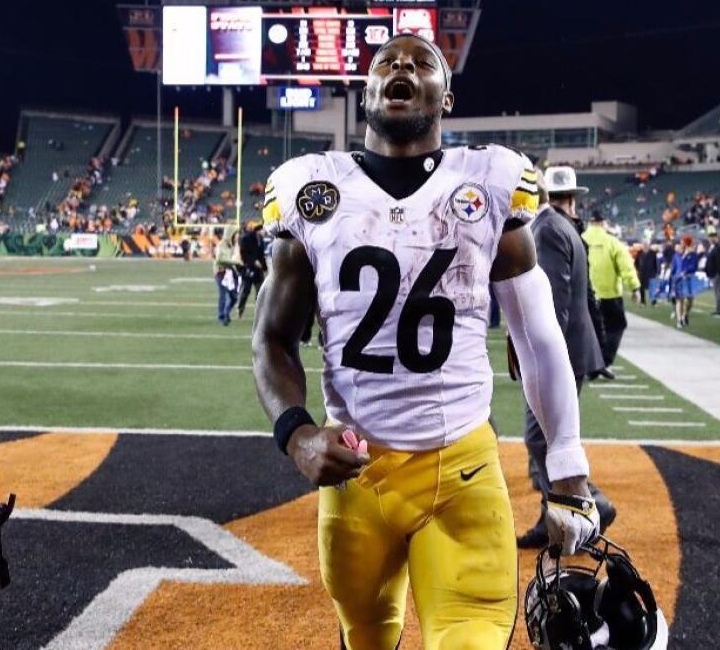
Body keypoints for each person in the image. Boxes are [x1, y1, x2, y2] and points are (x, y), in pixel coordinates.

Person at [251, 35, 602, 650]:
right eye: (386, 62)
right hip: (357, 475)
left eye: (420, 63)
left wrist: (569, 473)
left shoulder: (490, 181)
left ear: (447, 95)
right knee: (365, 638)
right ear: (366, 92)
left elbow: (539, 336)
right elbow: (273, 339)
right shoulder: (311, 190)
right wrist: (299, 435)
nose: (401, 68)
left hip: (460, 470)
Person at [521, 167, 617, 546]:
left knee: (541, 439)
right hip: (574, 350)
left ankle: (590, 503)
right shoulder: (565, 228)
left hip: (559, 355)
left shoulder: (546, 228)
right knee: (547, 437)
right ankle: (553, 519)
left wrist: (542, 358)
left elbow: (553, 304)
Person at [581, 210, 640, 371]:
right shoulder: (612, 242)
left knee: (591, 330)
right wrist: (635, 287)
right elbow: (626, 267)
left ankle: (592, 364)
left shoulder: (580, 239)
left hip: (585, 295)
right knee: (616, 326)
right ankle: (604, 361)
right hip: (609, 294)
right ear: (602, 223)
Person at [235, 221, 266, 319]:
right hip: (248, 269)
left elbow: (261, 255)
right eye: (262, 229)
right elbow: (243, 253)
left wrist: (264, 267)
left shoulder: (260, 239)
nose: (264, 231)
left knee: (260, 293)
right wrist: (253, 262)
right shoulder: (247, 238)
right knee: (245, 292)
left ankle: (260, 314)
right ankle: (240, 311)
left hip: (258, 271)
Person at [671, 235, 699, 328]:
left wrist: (686, 272)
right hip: (678, 279)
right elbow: (675, 266)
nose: (681, 243)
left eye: (683, 242)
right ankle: (679, 320)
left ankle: (685, 314)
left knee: (690, 301)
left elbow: (694, 267)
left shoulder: (693, 254)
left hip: (689, 279)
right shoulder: (677, 254)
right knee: (679, 300)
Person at [704, 231, 720, 316]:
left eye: (711, 238)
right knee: (718, 291)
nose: (710, 239)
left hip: (717, 273)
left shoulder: (718, 248)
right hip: (715, 273)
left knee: (719, 292)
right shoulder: (714, 248)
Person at [213, 258, 238, 326]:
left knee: (234, 297)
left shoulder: (233, 247)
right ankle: (222, 318)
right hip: (221, 273)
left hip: (232, 273)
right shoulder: (221, 248)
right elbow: (219, 259)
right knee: (222, 296)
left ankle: (226, 313)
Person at [637, 241, 659, 306]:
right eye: (644, 244)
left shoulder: (653, 253)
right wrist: (638, 270)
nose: (645, 246)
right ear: (642, 245)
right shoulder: (639, 253)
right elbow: (636, 263)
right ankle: (643, 301)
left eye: (647, 245)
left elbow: (656, 263)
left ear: (649, 246)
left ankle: (653, 302)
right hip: (642, 273)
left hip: (651, 273)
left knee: (652, 288)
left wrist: (656, 272)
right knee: (641, 288)